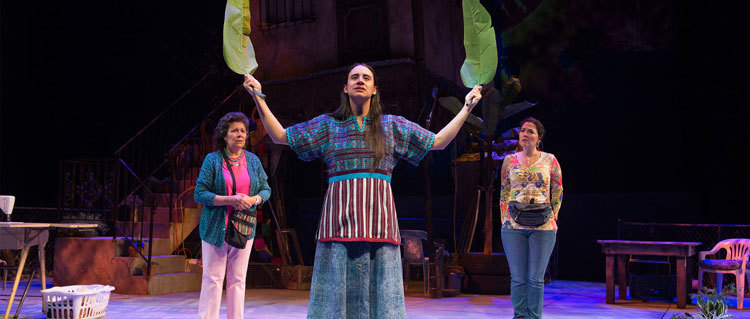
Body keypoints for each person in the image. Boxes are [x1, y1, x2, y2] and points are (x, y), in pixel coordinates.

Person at [243, 63, 482, 318]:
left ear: (374, 89)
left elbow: (437, 142)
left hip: (379, 225)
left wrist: (467, 107)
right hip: (338, 226)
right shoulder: (329, 126)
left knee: (381, 299)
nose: (360, 80)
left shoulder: (391, 126)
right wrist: (257, 97)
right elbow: (280, 135)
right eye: (354, 77)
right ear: (345, 88)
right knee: (337, 300)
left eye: (366, 77)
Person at [194, 112, 271, 319]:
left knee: (237, 279)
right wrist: (230, 200)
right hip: (215, 227)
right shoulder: (213, 160)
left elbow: (266, 189)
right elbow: (200, 193)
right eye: (235, 131)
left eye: (243, 131)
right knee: (213, 278)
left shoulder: (253, 161)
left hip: (244, 227)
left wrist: (254, 199)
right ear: (224, 136)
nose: (240, 134)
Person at [498, 117, 563, 319]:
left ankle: (534, 317)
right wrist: (503, 218)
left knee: (535, 279)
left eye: (530, 131)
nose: (525, 134)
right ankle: (519, 316)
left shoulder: (550, 160)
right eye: (523, 130)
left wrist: (554, 217)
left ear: (539, 138)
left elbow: (557, 190)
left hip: (543, 225)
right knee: (518, 278)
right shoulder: (509, 160)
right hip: (513, 225)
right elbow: (504, 191)